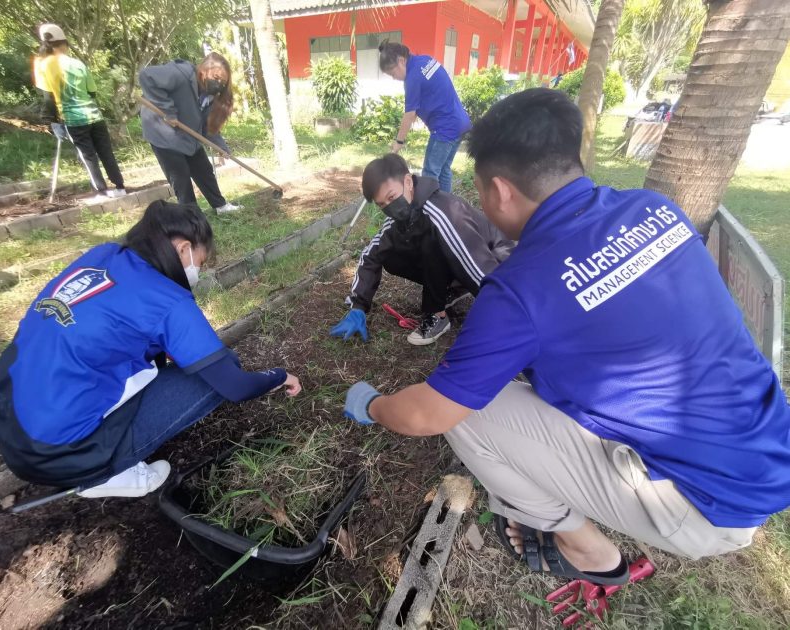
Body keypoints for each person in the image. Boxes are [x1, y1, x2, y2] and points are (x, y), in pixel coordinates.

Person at [342, 89, 790, 584]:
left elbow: (429, 414)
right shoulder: (654, 208)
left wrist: (372, 404)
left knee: (471, 416)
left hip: (704, 505)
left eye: (480, 190)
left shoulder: (521, 289)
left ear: (501, 190)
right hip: (769, 453)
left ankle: (588, 551)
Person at [0, 200, 301, 498]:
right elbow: (235, 387)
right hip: (59, 453)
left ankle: (92, 453)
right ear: (184, 248)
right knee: (222, 370)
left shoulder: (102, 255)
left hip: (11, 422)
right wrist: (279, 375)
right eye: (201, 263)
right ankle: (103, 474)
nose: (199, 272)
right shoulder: (167, 301)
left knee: (189, 363)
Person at [330, 154, 513, 346]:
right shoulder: (399, 218)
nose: (390, 207)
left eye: (392, 197)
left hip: (498, 260)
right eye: (382, 204)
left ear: (408, 182)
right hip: (466, 262)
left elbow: (476, 262)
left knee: (430, 241)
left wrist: (506, 311)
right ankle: (455, 287)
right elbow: (371, 254)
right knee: (390, 255)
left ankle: (438, 314)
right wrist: (358, 306)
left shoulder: (442, 211)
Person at [34, 23, 126, 201]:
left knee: (88, 155)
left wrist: (53, 122)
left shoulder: (43, 65)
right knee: (106, 152)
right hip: (94, 115)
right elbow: (92, 91)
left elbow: (48, 98)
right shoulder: (77, 63)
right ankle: (120, 187)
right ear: (65, 44)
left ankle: (101, 192)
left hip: (73, 119)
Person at [140, 53, 241, 214]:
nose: (218, 84)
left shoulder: (209, 95)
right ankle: (191, 216)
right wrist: (168, 111)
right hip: (163, 133)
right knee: (180, 177)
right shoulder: (181, 74)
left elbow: (208, 125)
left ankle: (220, 206)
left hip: (188, 134)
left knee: (204, 170)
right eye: (216, 77)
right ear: (204, 70)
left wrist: (221, 147)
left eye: (222, 81)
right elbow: (147, 76)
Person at [379, 41, 471, 194]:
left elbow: (409, 114)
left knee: (430, 173)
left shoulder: (412, 78)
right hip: (460, 123)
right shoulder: (425, 60)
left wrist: (399, 142)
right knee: (444, 170)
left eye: (393, 73)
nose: (394, 78)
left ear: (401, 60)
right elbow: (430, 92)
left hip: (445, 129)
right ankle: (445, 204)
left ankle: (430, 206)